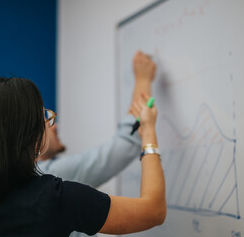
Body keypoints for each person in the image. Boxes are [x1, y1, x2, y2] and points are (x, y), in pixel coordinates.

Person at [0, 77, 166, 236]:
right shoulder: (55, 199)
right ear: (26, 136)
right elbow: (153, 210)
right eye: (44, 117)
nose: (50, 123)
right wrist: (148, 133)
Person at [36, 51, 156, 188]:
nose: (55, 126)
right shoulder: (46, 175)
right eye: (46, 121)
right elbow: (127, 142)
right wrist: (143, 80)